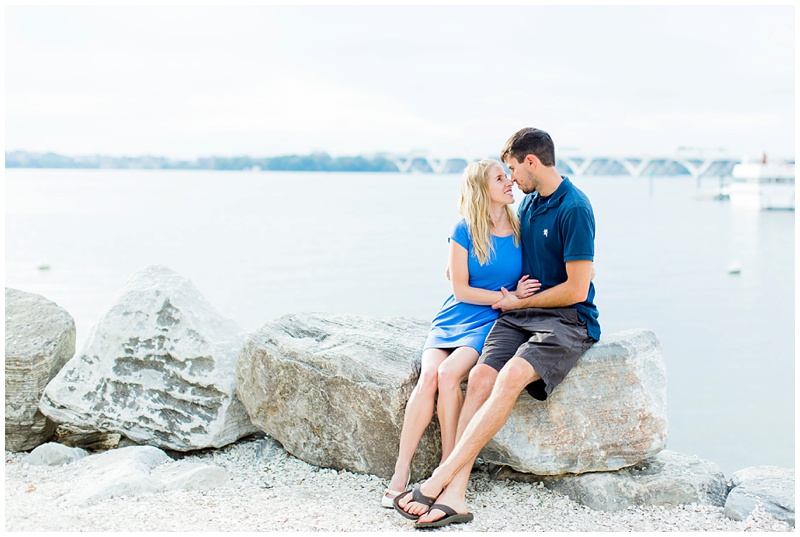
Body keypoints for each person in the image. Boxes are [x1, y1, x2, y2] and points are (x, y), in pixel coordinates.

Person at [394, 127, 600, 528]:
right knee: (482, 377)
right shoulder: (528, 207)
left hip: (567, 321)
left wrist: (519, 300)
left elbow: (576, 289)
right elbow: (492, 248)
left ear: (531, 162)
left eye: (512, 169)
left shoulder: (574, 208)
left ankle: (439, 479)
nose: (511, 179)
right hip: (520, 313)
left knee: (509, 379)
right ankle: (457, 496)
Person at [381, 159, 540, 508]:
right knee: (428, 377)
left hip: (489, 322)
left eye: (507, 176)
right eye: (500, 178)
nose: (509, 182)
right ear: (483, 190)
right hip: (456, 315)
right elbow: (461, 290)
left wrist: (520, 296)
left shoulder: (520, 227)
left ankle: (447, 467)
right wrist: (506, 298)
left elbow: (536, 265)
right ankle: (400, 472)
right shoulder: (465, 229)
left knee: (449, 375)